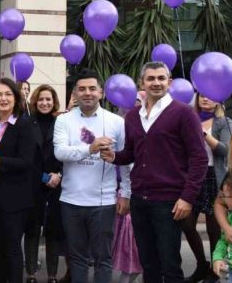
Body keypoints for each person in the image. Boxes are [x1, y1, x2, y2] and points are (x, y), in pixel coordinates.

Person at [102, 61, 208, 283]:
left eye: (161, 78)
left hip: (169, 202)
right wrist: (113, 156)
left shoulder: (184, 113)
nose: (156, 83)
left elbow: (199, 158)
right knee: (148, 265)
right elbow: (131, 153)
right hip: (140, 201)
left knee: (170, 266)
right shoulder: (132, 116)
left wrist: (188, 197)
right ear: (142, 83)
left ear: (170, 82)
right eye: (150, 78)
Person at [53, 70, 130, 283]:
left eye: (92, 88)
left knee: (103, 259)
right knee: (77, 258)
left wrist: (126, 193)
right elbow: (60, 152)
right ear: (75, 93)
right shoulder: (63, 120)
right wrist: (90, 148)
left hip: (104, 202)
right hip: (71, 200)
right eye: (82, 89)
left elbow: (125, 160)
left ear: (101, 92)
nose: (87, 93)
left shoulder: (116, 122)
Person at [0, 78, 39, 283]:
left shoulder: (24, 124)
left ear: (16, 97)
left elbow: (26, 162)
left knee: (11, 248)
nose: (3, 98)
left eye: (8, 94)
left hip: (14, 197)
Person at [182, 93, 231, 283]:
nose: (205, 99)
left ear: (218, 99)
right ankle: (201, 264)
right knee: (186, 223)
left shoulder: (223, 122)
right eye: (202, 95)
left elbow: (224, 151)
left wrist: (203, 134)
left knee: (213, 230)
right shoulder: (189, 119)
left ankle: (214, 270)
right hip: (194, 176)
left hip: (214, 177)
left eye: (210, 95)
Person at [25, 84, 64, 283]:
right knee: (32, 231)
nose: (44, 103)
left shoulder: (61, 122)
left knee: (53, 232)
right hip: (33, 185)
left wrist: (58, 174)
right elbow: (24, 156)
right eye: (41, 99)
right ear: (35, 101)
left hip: (57, 185)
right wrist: (43, 177)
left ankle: (52, 275)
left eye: (48, 99)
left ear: (54, 101)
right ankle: (31, 274)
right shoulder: (26, 122)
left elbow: (66, 153)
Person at [212, 174, 232, 277]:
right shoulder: (230, 218)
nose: (223, 199)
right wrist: (217, 258)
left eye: (225, 196)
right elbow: (223, 240)